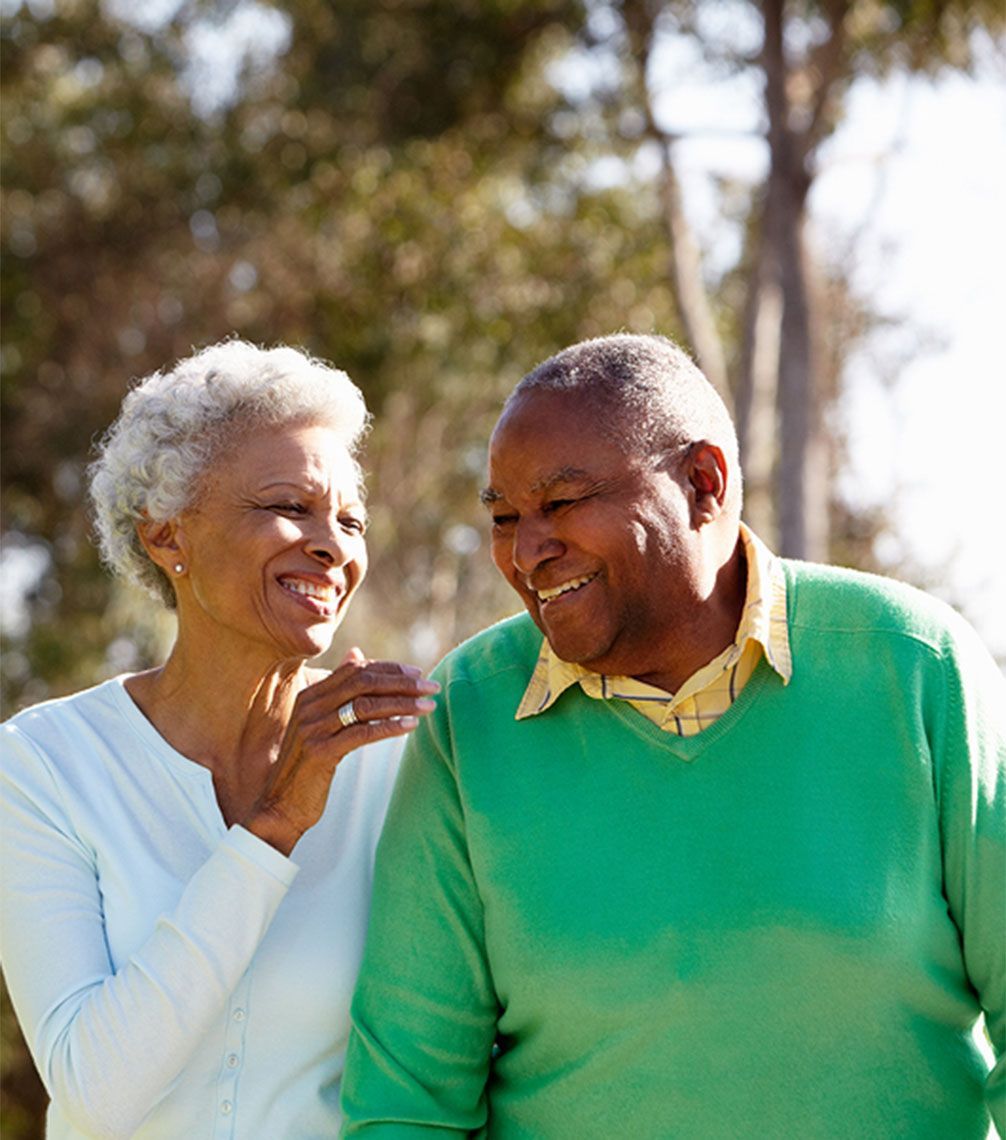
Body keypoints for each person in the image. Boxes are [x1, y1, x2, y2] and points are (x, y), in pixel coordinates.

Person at [341, 333, 1005, 1138]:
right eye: (506, 517)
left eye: (561, 503)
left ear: (703, 483)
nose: (526, 552)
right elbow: (406, 1105)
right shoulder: (468, 719)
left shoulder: (914, 664)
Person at [0, 339, 440, 1138]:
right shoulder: (40, 767)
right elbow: (95, 1092)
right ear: (168, 539)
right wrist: (273, 827)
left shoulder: (398, 764)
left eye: (350, 519)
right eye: (288, 506)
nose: (333, 546)